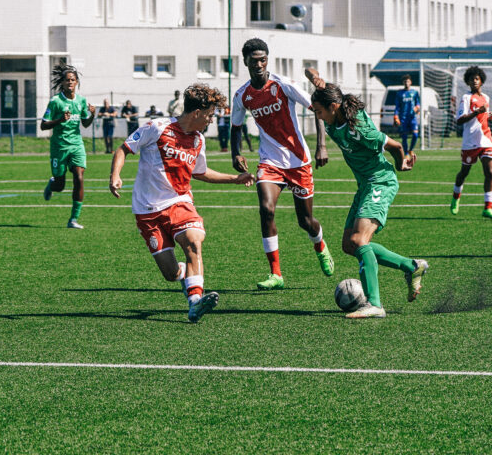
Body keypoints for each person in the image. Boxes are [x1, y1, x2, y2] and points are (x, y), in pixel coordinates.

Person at [109, 84, 254, 323]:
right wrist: (115, 175)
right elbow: (124, 149)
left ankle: (195, 302)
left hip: (180, 203)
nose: (211, 120)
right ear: (196, 113)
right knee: (171, 273)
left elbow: (201, 172)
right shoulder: (157, 127)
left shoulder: (198, 140)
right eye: (209, 115)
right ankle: (186, 276)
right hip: (147, 210)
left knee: (194, 240)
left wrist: (235, 179)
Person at [306, 69, 428, 319]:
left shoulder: (359, 127)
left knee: (360, 241)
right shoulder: (333, 113)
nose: (316, 115)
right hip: (365, 185)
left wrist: (400, 162)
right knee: (349, 245)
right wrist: (313, 77)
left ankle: (374, 304)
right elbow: (312, 73)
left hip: (380, 182)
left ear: (333, 107)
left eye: (319, 111)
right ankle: (411, 267)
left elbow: (393, 144)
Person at [231, 38, 333, 290]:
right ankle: (276, 274)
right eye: (254, 60)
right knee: (266, 209)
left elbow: (317, 108)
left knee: (305, 221)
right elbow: (235, 126)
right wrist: (236, 153)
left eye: (263, 59)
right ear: (245, 62)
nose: (259, 64)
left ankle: (320, 245)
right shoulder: (242, 95)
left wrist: (322, 145)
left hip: (299, 161)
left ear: (268, 60)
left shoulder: (283, 85)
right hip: (270, 161)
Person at [41, 63, 96, 229]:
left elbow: (85, 124)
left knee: (79, 178)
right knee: (60, 185)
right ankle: (52, 184)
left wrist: (93, 114)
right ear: (63, 83)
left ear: (77, 82)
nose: (70, 82)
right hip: (59, 147)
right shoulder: (55, 102)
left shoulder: (81, 100)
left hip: (76, 145)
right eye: (67, 80)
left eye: (72, 80)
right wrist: (60, 120)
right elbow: (43, 126)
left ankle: (73, 219)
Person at [450, 66, 492, 220]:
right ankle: (456, 197)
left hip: (486, 140)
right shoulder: (466, 98)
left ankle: (488, 208)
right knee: (464, 173)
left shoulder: (486, 97)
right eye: (471, 79)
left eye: (477, 79)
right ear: (468, 82)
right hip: (470, 142)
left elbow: (483, 118)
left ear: (481, 81)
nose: (474, 82)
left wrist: (490, 116)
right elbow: (459, 120)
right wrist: (477, 111)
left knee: (489, 172)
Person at [394, 75, 421, 154]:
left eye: (408, 81)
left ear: (411, 82)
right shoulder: (399, 93)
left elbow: (418, 103)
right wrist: (396, 116)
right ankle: (406, 154)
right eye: (405, 81)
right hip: (403, 118)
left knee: (415, 135)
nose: (406, 83)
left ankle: (411, 149)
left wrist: (417, 107)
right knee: (404, 137)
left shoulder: (414, 93)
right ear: (403, 82)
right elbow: (397, 106)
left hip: (412, 117)